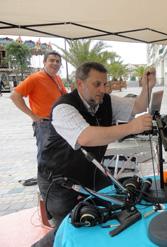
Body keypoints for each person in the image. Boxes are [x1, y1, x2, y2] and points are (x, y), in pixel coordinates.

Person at [32, 62, 155, 247]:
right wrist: (131, 127)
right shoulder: (64, 107)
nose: (103, 89)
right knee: (70, 226)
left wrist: (147, 87)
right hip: (59, 181)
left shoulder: (106, 100)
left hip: (92, 172)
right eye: (96, 84)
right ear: (79, 84)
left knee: (112, 209)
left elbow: (137, 106)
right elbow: (86, 137)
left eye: (105, 84)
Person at [10, 51, 67, 162]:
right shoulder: (35, 78)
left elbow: (64, 96)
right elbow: (15, 96)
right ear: (44, 62)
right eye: (51, 60)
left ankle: (55, 178)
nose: (55, 63)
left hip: (58, 122)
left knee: (58, 154)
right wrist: (32, 115)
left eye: (58, 61)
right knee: (45, 156)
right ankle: (43, 179)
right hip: (44, 124)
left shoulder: (57, 78)